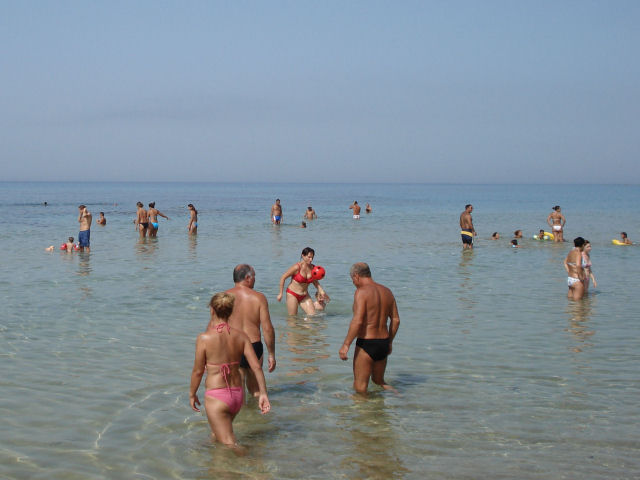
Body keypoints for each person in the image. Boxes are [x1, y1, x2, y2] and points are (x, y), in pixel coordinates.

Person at [189, 292, 271, 446]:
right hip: (237, 396)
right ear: (231, 311)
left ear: (212, 310)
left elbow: (198, 371)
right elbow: (256, 367)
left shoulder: (204, 338)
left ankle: (253, 466)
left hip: (217, 397)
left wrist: (192, 394)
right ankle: (218, 466)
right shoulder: (241, 336)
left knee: (229, 443)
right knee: (218, 434)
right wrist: (263, 394)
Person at [339, 263, 400, 394]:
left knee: (360, 388)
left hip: (366, 344)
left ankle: (366, 413)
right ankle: (398, 396)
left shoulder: (361, 292)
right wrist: (389, 342)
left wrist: (346, 345)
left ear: (356, 276)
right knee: (379, 381)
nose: (353, 283)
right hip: (383, 343)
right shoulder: (387, 291)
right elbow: (396, 320)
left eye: (352, 280)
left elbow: (358, 321)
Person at [225, 265, 276, 397]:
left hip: (233, 345)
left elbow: (216, 327)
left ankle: (243, 417)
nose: (254, 280)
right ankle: (259, 415)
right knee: (257, 391)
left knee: (238, 391)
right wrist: (271, 354)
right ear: (247, 278)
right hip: (254, 346)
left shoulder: (224, 297)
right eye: (254, 276)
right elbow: (267, 328)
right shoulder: (259, 298)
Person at [277, 247, 329, 315]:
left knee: (312, 316)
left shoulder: (313, 268)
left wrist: (322, 291)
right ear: (303, 255)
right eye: (309, 257)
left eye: (312, 257)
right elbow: (283, 277)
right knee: (293, 319)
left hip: (304, 295)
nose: (311, 260)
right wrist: (280, 293)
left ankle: (303, 325)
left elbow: (315, 281)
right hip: (292, 294)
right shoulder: (297, 267)